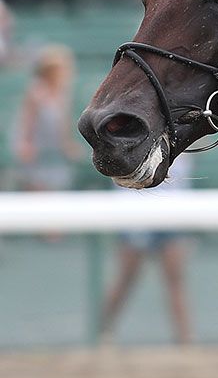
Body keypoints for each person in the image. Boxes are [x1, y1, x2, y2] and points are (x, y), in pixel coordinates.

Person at [98, 156, 195, 345]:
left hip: (172, 215)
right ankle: (101, 331)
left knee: (175, 280)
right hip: (135, 215)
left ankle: (185, 340)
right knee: (126, 278)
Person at [12, 44, 81, 192]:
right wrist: (26, 143)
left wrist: (68, 145)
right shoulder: (36, 92)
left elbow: (64, 124)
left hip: (55, 151)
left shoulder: (63, 94)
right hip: (38, 151)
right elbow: (27, 121)